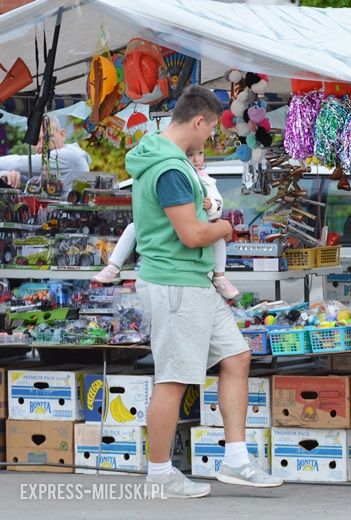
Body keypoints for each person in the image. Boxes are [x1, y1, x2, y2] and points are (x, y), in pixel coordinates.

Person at [127, 85, 282, 498]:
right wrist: (226, 227)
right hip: (175, 283)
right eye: (211, 128)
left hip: (193, 283)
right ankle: (159, 473)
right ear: (198, 121)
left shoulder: (164, 157)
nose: (210, 138)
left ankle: (235, 458)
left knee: (237, 356)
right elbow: (193, 234)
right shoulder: (172, 171)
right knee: (174, 378)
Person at [94, 145, 239, 299]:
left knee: (219, 239)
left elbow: (219, 203)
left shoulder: (205, 179)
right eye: (190, 155)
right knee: (133, 227)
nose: (196, 159)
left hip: (197, 226)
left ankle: (220, 277)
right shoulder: (172, 173)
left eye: (200, 153)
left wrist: (212, 206)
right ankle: (113, 266)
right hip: (169, 225)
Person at [0, 115, 90, 189]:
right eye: (36, 141)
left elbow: (18, 163)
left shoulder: (69, 155)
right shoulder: (44, 164)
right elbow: (20, 171)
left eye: (48, 138)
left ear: (62, 135)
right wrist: (5, 174)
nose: (42, 145)